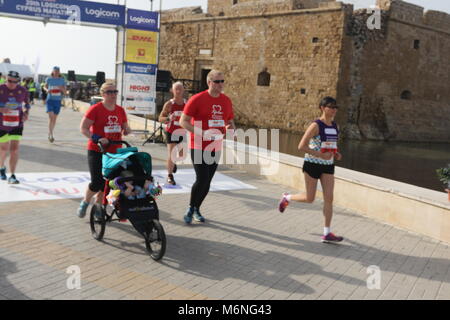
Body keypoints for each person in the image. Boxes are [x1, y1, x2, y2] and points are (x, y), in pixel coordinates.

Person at [278, 96, 343, 243]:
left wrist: (336, 153)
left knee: (329, 198)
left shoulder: (335, 126)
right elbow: (301, 146)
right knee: (310, 198)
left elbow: (332, 144)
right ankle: (287, 198)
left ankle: (327, 233)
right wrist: (319, 154)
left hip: (328, 166)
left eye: (335, 107)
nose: (334, 110)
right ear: (322, 108)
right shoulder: (316, 125)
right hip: (312, 164)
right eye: (331, 107)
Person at [180, 70, 236, 224]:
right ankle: (191, 207)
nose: (220, 84)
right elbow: (183, 121)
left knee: (208, 181)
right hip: (198, 144)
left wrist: (231, 131)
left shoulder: (226, 100)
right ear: (209, 82)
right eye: (217, 81)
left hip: (215, 146)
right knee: (202, 178)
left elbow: (229, 120)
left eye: (222, 81)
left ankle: (197, 208)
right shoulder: (197, 99)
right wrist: (201, 132)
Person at [77, 82, 131, 218]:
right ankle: (85, 202)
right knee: (97, 182)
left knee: (107, 182)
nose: (113, 95)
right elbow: (83, 128)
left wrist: (127, 129)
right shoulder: (95, 109)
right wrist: (97, 138)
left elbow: (124, 126)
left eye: (115, 92)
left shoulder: (120, 110)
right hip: (97, 150)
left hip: (114, 152)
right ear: (102, 94)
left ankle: (98, 207)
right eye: (109, 92)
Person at [0, 71, 31, 184]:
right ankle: (1, 167)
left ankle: (12, 175)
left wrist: (26, 113)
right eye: (9, 81)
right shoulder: (1, 88)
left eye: (15, 82)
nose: (12, 84)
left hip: (17, 124)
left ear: (18, 81)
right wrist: (1, 109)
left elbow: (26, 104)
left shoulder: (22, 90)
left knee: (14, 149)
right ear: (6, 79)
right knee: (3, 149)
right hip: (1, 124)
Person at [158, 81, 187, 185]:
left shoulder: (187, 104)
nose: (178, 91)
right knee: (171, 155)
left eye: (180, 89)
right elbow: (160, 118)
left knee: (182, 154)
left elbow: (192, 117)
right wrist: (168, 118)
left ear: (183, 90)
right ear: (172, 91)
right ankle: (170, 176)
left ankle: (173, 164)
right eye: (176, 89)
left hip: (182, 132)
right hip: (171, 131)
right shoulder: (169, 104)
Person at [44, 66, 66, 143]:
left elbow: (65, 92)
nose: (56, 72)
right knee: (51, 117)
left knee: (54, 119)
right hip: (50, 100)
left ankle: (50, 133)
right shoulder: (49, 79)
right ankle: (51, 134)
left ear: (59, 72)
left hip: (57, 101)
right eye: (55, 71)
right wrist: (47, 90)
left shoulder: (62, 80)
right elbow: (45, 87)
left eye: (58, 71)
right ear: (53, 71)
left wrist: (61, 88)